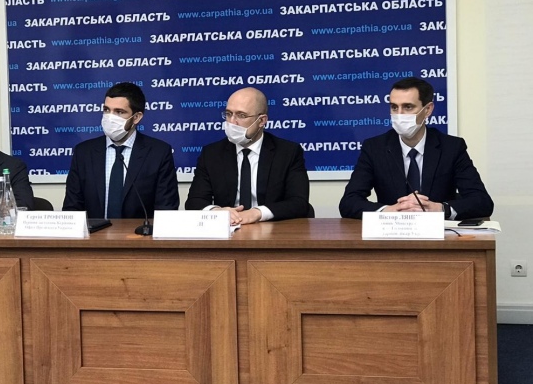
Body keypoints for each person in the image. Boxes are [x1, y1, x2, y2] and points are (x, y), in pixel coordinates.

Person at [339, 77, 494, 220]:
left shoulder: (451, 147)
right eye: (394, 107)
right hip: (391, 234)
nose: (399, 115)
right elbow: (348, 202)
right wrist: (388, 211)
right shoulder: (375, 148)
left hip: (440, 237)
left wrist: (440, 209)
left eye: (408, 107)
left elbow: (482, 201)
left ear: (428, 110)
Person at [185, 87, 311, 225]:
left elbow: (299, 203)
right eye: (228, 114)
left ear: (261, 121)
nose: (232, 122)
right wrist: (216, 211)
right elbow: (194, 201)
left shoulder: (288, 152)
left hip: (271, 229)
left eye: (241, 115)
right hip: (228, 228)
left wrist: (257, 213)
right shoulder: (211, 153)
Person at [62, 82, 179, 219]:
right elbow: (72, 208)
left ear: (136, 117)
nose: (110, 117)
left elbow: (166, 209)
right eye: (106, 110)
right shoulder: (83, 152)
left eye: (119, 112)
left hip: (139, 232)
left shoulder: (159, 153)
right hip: (94, 232)